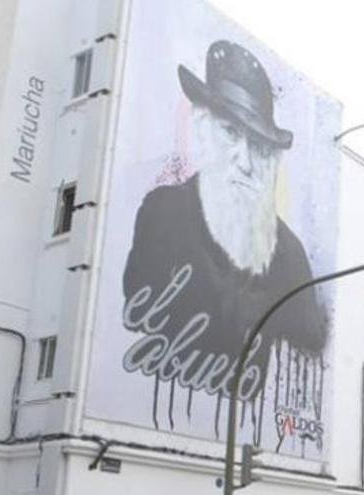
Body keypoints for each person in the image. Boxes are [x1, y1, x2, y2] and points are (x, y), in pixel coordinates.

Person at [121, 40, 328, 426]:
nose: (246, 162)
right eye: (233, 133)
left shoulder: (292, 258)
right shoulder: (163, 213)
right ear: (203, 130)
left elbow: (306, 352)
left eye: (262, 148)